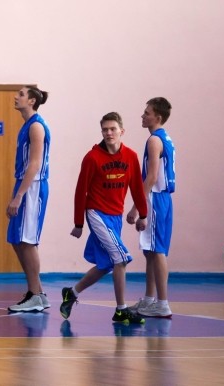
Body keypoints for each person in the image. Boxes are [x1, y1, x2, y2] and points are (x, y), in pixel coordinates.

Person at [60, 112, 149, 324]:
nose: (109, 133)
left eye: (113, 129)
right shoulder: (92, 158)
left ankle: (72, 292)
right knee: (121, 258)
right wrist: (78, 223)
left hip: (115, 216)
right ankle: (121, 310)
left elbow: (137, 187)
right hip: (96, 213)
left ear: (121, 131)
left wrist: (142, 214)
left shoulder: (130, 156)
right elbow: (80, 191)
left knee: (107, 264)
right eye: (105, 130)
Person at [126, 97, 176, 318]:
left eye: (147, 113)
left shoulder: (155, 140)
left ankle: (162, 303)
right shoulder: (165, 138)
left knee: (157, 251)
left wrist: (136, 207)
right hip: (162, 199)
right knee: (150, 251)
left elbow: (152, 176)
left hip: (156, 198)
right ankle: (149, 299)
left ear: (158, 117)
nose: (143, 115)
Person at [6, 86, 51, 313]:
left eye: (21, 94)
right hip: (24, 184)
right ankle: (38, 293)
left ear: (32, 101)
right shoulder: (27, 125)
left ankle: (34, 295)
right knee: (17, 240)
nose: (16, 97)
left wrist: (19, 196)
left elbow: (34, 164)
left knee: (27, 241)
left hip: (33, 187)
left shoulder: (36, 126)